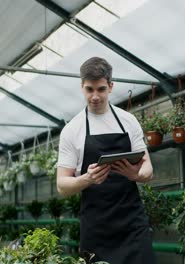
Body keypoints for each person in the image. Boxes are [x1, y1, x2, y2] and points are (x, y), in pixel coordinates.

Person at [56, 57, 155, 264]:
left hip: (132, 222)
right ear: (82, 87)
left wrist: (136, 174)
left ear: (111, 86)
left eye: (100, 89)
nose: (94, 96)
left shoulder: (128, 121)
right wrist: (88, 179)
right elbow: (62, 185)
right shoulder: (72, 130)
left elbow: (148, 168)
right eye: (89, 89)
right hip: (96, 227)